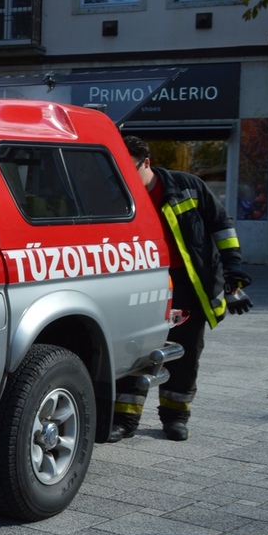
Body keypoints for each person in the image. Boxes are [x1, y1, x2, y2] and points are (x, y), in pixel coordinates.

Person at [110, 135, 252, 442]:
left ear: (146, 162)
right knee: (136, 350)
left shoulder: (187, 186)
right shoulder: (116, 193)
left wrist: (233, 272)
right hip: (143, 283)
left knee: (186, 354)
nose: (123, 173)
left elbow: (221, 225)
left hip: (189, 283)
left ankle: (175, 418)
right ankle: (124, 420)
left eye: (129, 166)